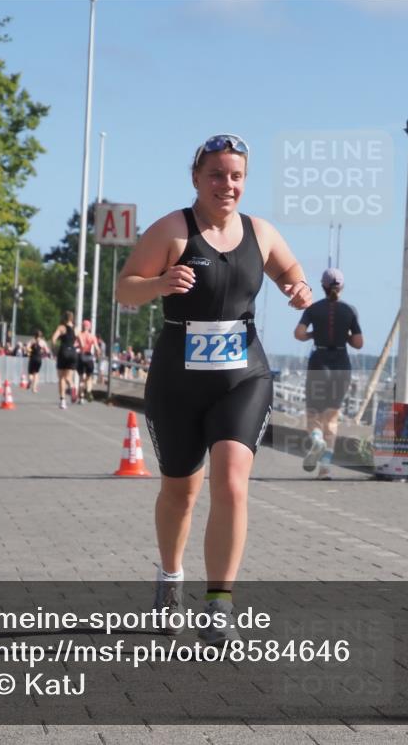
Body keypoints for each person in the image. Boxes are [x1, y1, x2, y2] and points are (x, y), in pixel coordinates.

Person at [116, 133, 312, 646]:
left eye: (236, 176)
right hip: (177, 381)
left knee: (231, 482)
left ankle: (219, 603)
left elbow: (291, 271)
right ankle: (170, 578)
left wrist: (297, 288)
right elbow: (124, 286)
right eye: (217, 175)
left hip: (242, 377)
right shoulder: (172, 230)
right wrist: (158, 284)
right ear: (197, 178)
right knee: (180, 492)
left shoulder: (260, 232)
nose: (227, 185)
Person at [294, 268, 363, 479]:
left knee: (313, 413)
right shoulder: (349, 310)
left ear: (323, 286)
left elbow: (299, 334)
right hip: (341, 364)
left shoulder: (314, 309)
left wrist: (314, 334)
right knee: (332, 418)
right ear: (341, 287)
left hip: (319, 363)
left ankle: (316, 439)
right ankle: (325, 468)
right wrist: (345, 336)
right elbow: (358, 342)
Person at [50, 311, 79, 409]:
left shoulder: (61, 328)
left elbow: (53, 339)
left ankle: (63, 401)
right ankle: (72, 387)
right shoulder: (76, 329)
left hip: (63, 352)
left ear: (64, 318)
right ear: (72, 318)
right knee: (68, 377)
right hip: (73, 353)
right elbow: (81, 343)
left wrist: (54, 350)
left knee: (62, 378)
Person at [76, 319, 98, 404]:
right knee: (89, 377)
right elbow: (97, 348)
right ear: (89, 327)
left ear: (82, 326)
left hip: (81, 356)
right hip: (89, 357)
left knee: (81, 378)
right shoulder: (92, 336)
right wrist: (97, 355)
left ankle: (81, 398)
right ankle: (88, 391)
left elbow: (76, 345)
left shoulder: (80, 335)